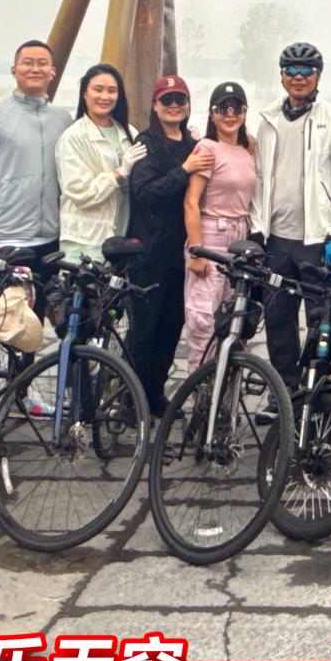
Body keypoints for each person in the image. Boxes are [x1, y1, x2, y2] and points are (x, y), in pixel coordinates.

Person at [249, 41, 331, 384]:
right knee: (278, 320)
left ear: (318, 76)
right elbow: (260, 178)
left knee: (323, 320)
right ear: (282, 78)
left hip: (317, 238)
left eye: (306, 71)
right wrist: (256, 229)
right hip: (277, 239)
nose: (299, 78)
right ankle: (284, 393)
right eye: (291, 71)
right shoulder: (267, 120)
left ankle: (320, 390)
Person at [121, 75, 198, 416]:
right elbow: (145, 192)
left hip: (179, 254)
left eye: (180, 99)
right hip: (148, 253)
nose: (174, 106)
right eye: (167, 100)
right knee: (144, 331)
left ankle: (155, 393)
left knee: (171, 328)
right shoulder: (145, 143)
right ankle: (132, 398)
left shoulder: (192, 143)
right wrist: (183, 171)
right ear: (154, 105)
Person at [0, 39, 67, 265]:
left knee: (46, 301)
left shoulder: (63, 119)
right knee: (3, 301)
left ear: (53, 71)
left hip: (51, 239)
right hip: (5, 239)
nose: (35, 68)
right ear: (14, 70)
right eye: (27, 62)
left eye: (42, 63)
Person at [181, 82, 258, 368]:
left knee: (233, 318)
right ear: (211, 114)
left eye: (236, 107)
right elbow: (191, 202)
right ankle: (199, 394)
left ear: (245, 111)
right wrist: (197, 250)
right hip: (211, 234)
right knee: (204, 320)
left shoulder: (249, 147)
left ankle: (224, 396)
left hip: (241, 238)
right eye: (222, 108)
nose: (229, 114)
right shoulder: (207, 148)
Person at [55, 62, 135, 263]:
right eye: (98, 89)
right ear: (84, 93)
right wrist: (119, 174)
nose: (105, 96)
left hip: (119, 239)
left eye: (112, 90)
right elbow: (79, 192)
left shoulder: (129, 132)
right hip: (84, 240)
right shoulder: (73, 137)